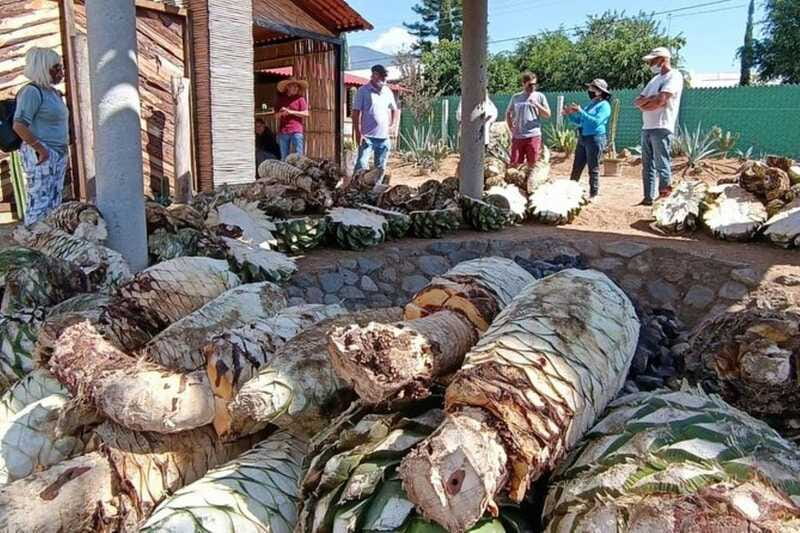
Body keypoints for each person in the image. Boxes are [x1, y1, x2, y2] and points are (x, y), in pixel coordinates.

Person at [12, 47, 69, 226]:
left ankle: (49, 243)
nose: (61, 72)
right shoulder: (31, 92)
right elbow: (19, 124)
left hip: (57, 153)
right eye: (56, 67)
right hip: (42, 153)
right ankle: (33, 243)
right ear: (44, 69)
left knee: (54, 202)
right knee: (39, 201)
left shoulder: (53, 93)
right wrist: (40, 149)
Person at [634, 46, 684, 206]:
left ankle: (664, 198)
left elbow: (661, 100)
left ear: (663, 60)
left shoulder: (674, 76)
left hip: (662, 126)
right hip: (647, 127)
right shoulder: (654, 80)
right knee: (647, 165)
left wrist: (650, 101)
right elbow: (638, 101)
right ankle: (647, 197)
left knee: (662, 164)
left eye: (652, 61)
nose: (650, 64)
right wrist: (650, 100)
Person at [564, 79, 612, 200]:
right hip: (583, 137)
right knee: (577, 166)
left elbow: (596, 121)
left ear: (599, 92)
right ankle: (571, 191)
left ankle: (593, 194)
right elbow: (580, 121)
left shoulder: (605, 106)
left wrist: (581, 111)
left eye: (592, 88)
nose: (589, 91)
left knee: (593, 167)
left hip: (595, 138)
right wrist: (569, 114)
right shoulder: (589, 104)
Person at [352, 64, 399, 181]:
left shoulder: (387, 91)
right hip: (367, 137)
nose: (383, 80)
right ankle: (356, 189)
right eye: (381, 77)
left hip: (384, 138)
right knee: (361, 165)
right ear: (373, 76)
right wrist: (358, 133)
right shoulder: (363, 91)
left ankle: (375, 192)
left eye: (385, 78)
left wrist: (393, 125)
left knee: (380, 168)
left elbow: (395, 109)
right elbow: (356, 113)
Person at [505, 72, 551, 168]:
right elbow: (508, 112)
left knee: (532, 164)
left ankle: (529, 182)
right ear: (523, 83)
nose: (533, 87)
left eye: (535, 84)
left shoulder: (539, 96)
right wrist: (511, 128)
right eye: (530, 84)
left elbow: (547, 114)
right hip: (518, 136)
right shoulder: (516, 97)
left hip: (533, 135)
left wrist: (537, 105)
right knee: (514, 164)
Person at [275, 78, 309, 160]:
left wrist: (290, 112)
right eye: (293, 86)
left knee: (299, 157)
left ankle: (298, 172)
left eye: (297, 87)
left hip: (296, 131)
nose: (296, 88)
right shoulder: (281, 99)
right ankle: (285, 172)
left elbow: (306, 113)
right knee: (284, 157)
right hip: (283, 131)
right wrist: (282, 113)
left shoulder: (300, 99)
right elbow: (275, 116)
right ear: (287, 87)